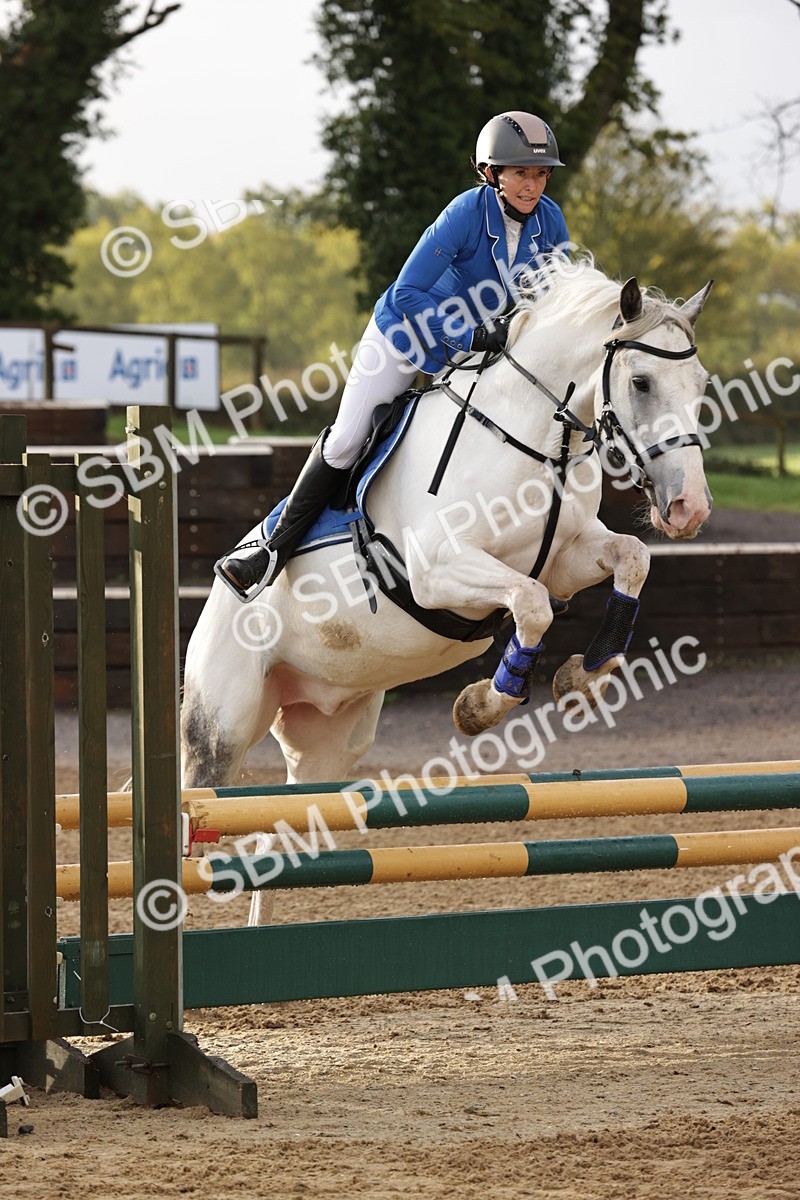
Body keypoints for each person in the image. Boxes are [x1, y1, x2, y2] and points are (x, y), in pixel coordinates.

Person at [218, 110, 569, 600]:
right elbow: (407, 292)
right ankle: (270, 549)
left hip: (478, 350)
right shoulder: (465, 213)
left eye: (540, 174)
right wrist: (468, 335)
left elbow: (560, 294)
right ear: (491, 174)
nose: (533, 186)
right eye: (521, 173)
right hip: (405, 336)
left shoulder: (550, 221)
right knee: (345, 441)